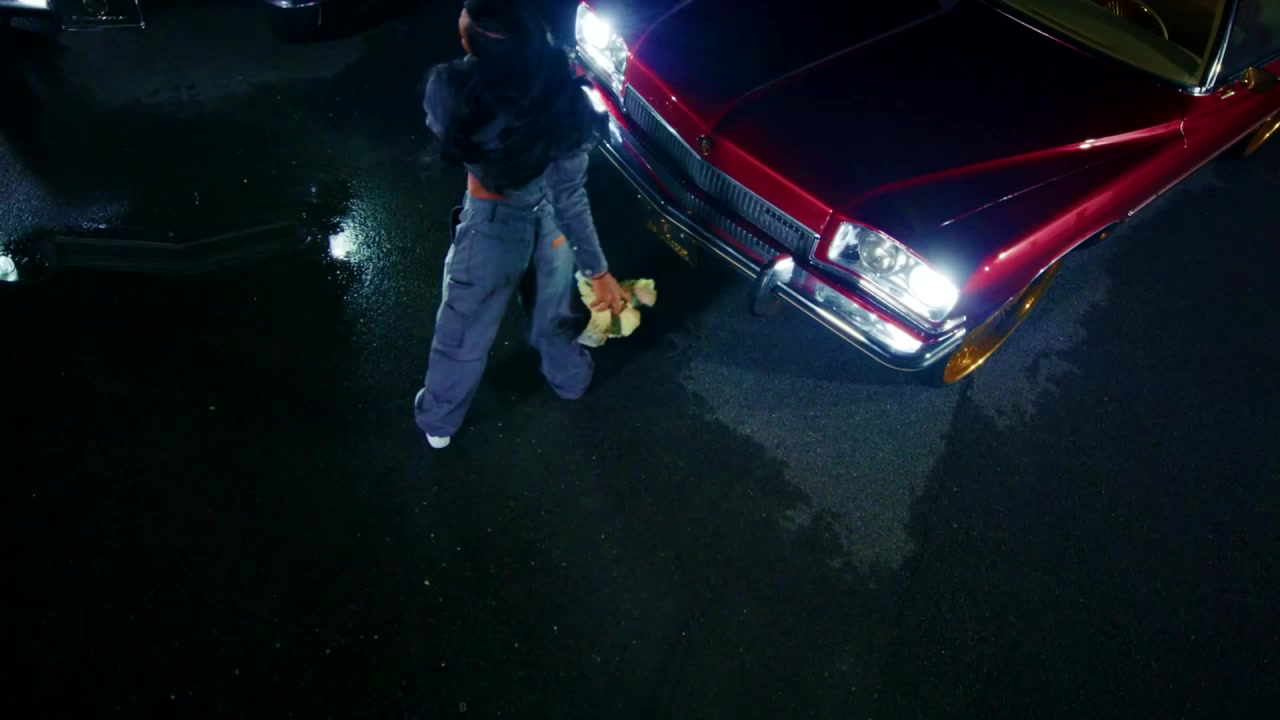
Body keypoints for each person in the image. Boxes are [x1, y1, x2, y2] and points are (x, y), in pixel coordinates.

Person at [413, 0, 628, 450]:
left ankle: (439, 420)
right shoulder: (564, 95)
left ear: (472, 36)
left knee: (465, 328)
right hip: (552, 226)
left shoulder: (450, 88)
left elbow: (442, 128)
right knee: (553, 312)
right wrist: (599, 271)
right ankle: (570, 381)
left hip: (490, 226)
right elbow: (570, 195)